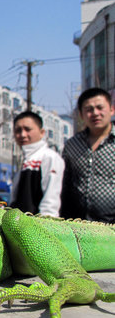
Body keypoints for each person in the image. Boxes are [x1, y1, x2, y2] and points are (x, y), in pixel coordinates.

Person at [60, 87, 115, 223]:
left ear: (111, 109)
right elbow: (65, 184)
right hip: (79, 225)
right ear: (81, 115)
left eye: (99, 107)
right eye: (89, 109)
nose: (95, 113)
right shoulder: (72, 145)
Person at [10, 111, 64, 216]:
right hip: (19, 227)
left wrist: (45, 227)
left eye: (28, 129)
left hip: (37, 228)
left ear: (42, 132)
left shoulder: (49, 157)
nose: (22, 134)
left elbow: (50, 202)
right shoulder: (24, 161)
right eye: (18, 130)